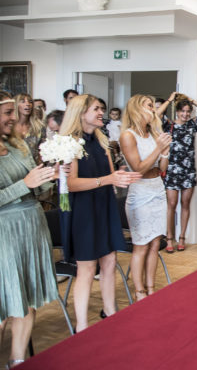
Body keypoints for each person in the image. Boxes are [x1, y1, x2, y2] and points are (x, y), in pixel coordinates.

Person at [60, 94, 141, 331]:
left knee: (110, 260)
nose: (100, 113)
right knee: (86, 268)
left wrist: (123, 174)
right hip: (83, 210)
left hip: (104, 205)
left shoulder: (101, 140)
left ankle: (110, 312)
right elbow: (72, 184)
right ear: (80, 112)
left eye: (101, 109)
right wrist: (108, 179)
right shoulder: (71, 144)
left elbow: (110, 174)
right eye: (96, 109)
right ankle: (82, 326)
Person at [0, 92, 61, 369]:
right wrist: (25, 184)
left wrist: (49, 178)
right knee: (5, 300)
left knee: (26, 298)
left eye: (13, 112)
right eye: (7, 113)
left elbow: (34, 188)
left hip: (31, 227)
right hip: (5, 232)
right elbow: (23, 185)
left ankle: (18, 359)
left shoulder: (17, 146)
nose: (14, 118)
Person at [120, 94, 171, 300]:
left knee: (155, 243)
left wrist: (165, 152)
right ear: (136, 109)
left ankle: (151, 288)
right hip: (140, 192)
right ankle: (139, 291)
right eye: (149, 105)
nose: (153, 109)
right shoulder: (128, 135)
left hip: (157, 188)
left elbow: (162, 169)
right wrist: (158, 148)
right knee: (141, 244)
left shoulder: (153, 133)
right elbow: (138, 168)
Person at [156, 93, 197, 252]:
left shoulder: (193, 124)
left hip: (188, 171)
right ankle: (170, 238)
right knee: (171, 204)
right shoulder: (168, 125)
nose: (185, 114)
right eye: (183, 111)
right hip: (172, 170)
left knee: (185, 204)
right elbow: (157, 114)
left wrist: (191, 100)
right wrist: (171, 100)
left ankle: (182, 237)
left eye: (188, 111)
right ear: (177, 111)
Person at [13, 93, 44, 164]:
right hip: (14, 169)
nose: (28, 104)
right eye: (23, 101)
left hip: (34, 168)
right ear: (15, 105)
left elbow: (43, 151)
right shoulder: (9, 127)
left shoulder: (39, 127)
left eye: (30, 102)